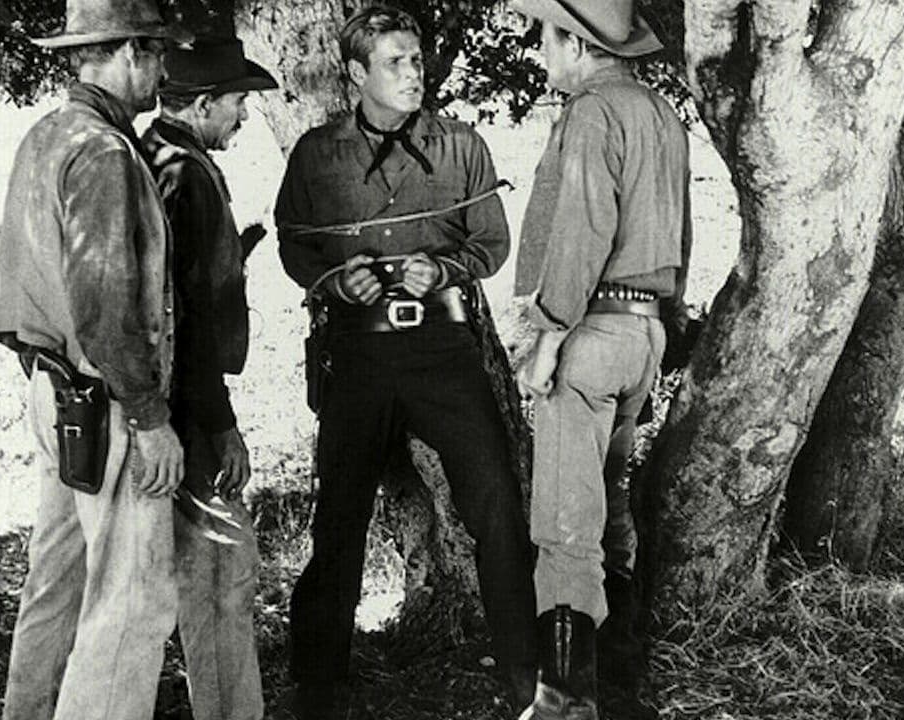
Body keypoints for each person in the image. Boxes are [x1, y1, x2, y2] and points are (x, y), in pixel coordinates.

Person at [273, 5, 537, 717]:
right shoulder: (315, 156)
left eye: (417, 60)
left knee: (498, 506)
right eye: (396, 63)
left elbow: (491, 241)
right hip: (356, 357)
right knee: (340, 518)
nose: (414, 74)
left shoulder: (461, 147)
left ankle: (526, 679)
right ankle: (321, 686)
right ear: (357, 74)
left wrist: (444, 270)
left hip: (445, 355)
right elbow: (294, 243)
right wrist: (334, 281)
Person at [0, 1, 191, 719]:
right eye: (158, 53)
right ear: (129, 52)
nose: (165, 68)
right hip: (106, 404)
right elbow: (104, 298)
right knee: (133, 601)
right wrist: (147, 414)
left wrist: (54, 383)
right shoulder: (105, 150)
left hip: (55, 392)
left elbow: (18, 292)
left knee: (58, 586)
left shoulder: (46, 137)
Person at [509, 0, 693, 717]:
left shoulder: (590, 112)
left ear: (577, 43)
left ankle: (564, 699)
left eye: (546, 38)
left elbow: (584, 227)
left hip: (589, 331)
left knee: (563, 520)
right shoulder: (661, 114)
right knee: (609, 506)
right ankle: (620, 681)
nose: (541, 53)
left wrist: (548, 338)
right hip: (643, 333)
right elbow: (680, 233)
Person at [141, 37, 279, 720]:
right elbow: (186, 322)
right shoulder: (185, 174)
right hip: (186, 412)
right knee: (223, 572)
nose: (245, 116)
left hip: (156, 407)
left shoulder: (156, 157)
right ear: (199, 106)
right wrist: (221, 427)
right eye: (238, 101)